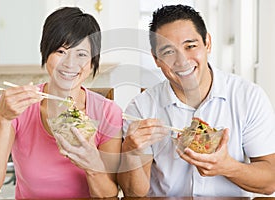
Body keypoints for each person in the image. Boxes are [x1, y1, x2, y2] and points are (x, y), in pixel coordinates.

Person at [117, 4, 275, 197]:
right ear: (156, 59)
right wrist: (131, 151)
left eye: (190, 46)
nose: (182, 61)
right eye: (168, 52)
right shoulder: (141, 108)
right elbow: (133, 194)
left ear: (207, 43)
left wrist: (227, 167)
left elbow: (270, 182)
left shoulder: (248, 97)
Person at [0, 7, 122, 199]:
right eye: (61, 51)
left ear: (93, 60)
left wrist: (92, 166)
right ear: (45, 51)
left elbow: (110, 196)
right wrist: (1, 119)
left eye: (81, 54)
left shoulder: (109, 112)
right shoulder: (16, 107)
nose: (70, 64)